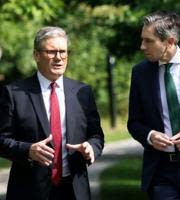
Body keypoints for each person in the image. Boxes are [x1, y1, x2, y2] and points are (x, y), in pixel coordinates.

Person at [0, 26, 104, 200]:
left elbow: (97, 136)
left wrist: (91, 147)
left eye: (63, 52)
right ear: (36, 55)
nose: (59, 58)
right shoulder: (14, 93)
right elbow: (1, 140)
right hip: (29, 191)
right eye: (51, 52)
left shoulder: (82, 92)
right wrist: (28, 150)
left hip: (74, 190)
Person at [127, 10, 180, 200]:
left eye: (148, 41)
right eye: (142, 39)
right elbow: (134, 122)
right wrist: (150, 136)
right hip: (161, 171)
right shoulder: (140, 73)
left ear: (170, 41)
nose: (142, 46)